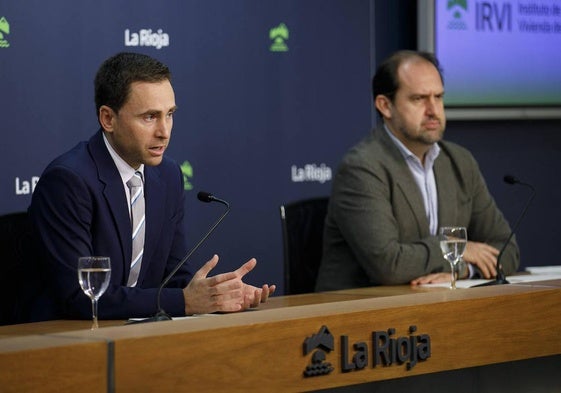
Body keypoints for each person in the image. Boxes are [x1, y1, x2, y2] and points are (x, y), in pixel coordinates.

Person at [28, 52, 275, 321]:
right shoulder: (69, 181)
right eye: (149, 117)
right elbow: (81, 298)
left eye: (169, 114)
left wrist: (219, 295)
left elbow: (174, 276)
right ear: (108, 119)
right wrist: (185, 301)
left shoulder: (167, 176)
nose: (164, 131)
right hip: (65, 339)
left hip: (137, 333)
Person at [315, 50, 520, 291]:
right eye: (419, 99)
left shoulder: (459, 161)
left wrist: (461, 269)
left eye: (439, 97)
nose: (434, 110)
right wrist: (460, 249)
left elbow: (507, 250)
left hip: (434, 307)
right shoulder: (362, 168)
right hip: (361, 313)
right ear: (385, 106)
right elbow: (388, 264)